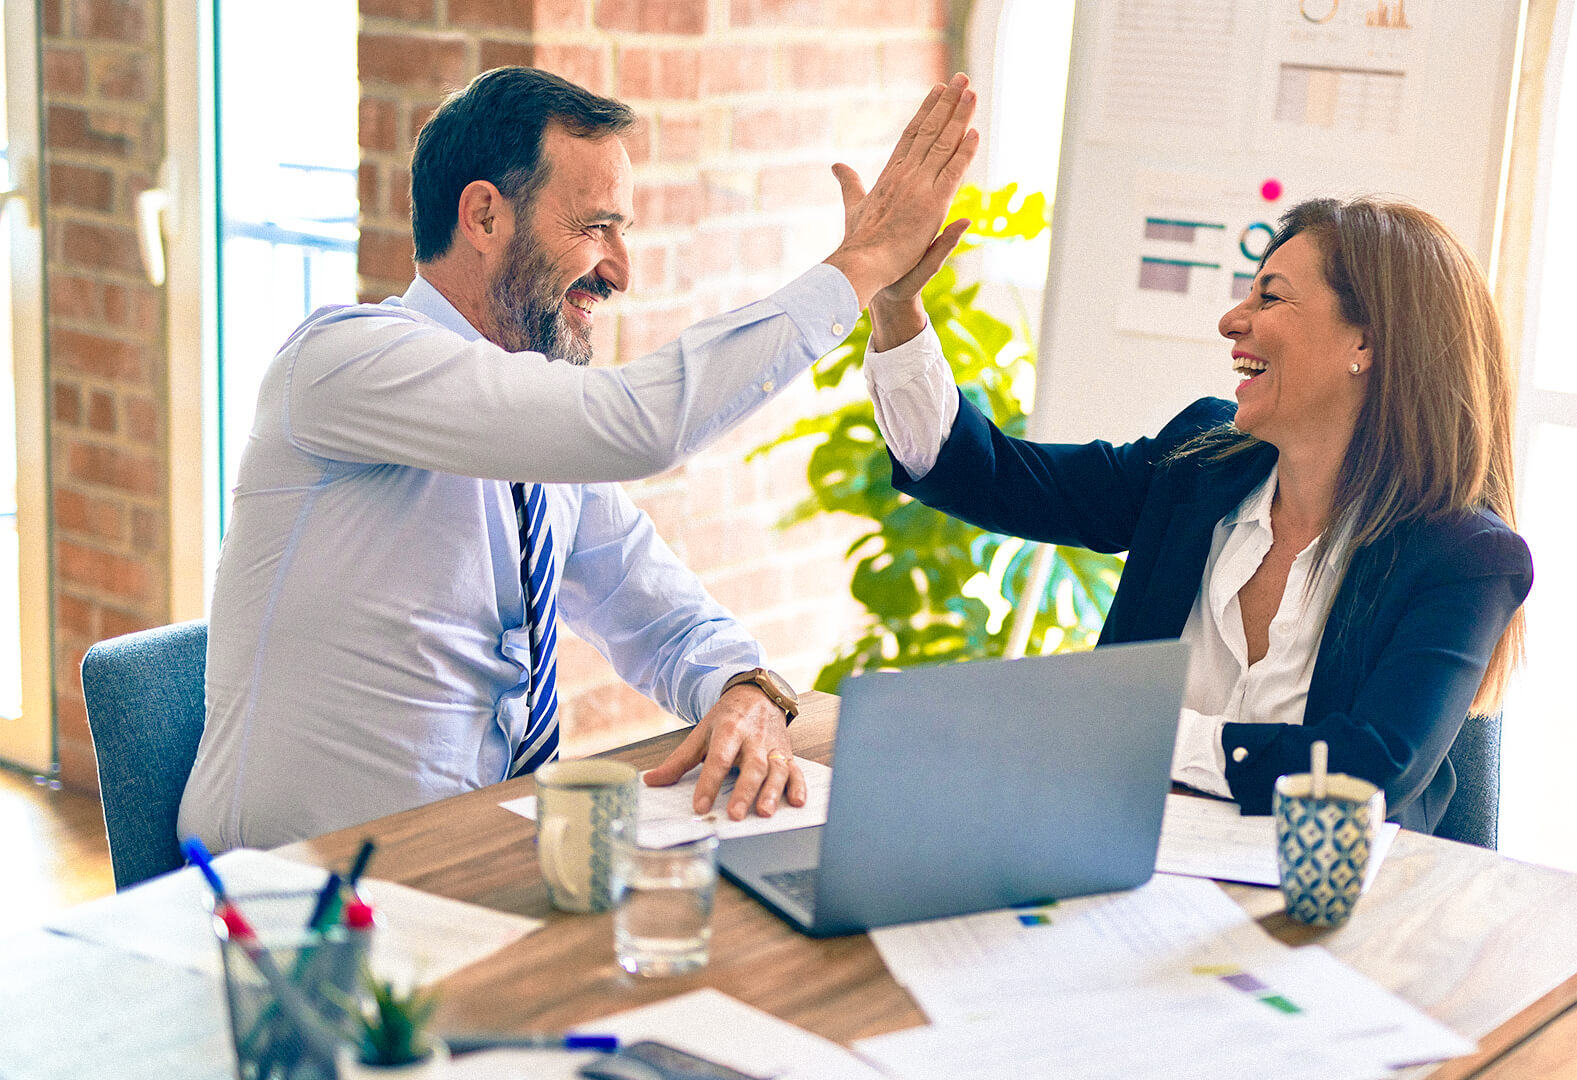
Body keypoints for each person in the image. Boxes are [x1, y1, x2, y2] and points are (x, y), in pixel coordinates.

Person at [179, 66, 978, 850]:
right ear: (485, 217)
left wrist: (745, 688)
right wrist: (862, 265)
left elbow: (663, 616)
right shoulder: (343, 362)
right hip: (292, 904)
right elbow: (640, 424)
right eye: (597, 227)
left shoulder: (536, 439)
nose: (620, 270)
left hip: (473, 866)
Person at [863, 196, 1531, 831]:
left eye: (1269, 296)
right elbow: (993, 477)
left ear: (1366, 344)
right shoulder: (1200, 463)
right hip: (1123, 865)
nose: (1232, 321)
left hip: (1325, 915)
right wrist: (896, 307)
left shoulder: (1464, 558)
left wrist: (1139, 732)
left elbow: (1365, 772)